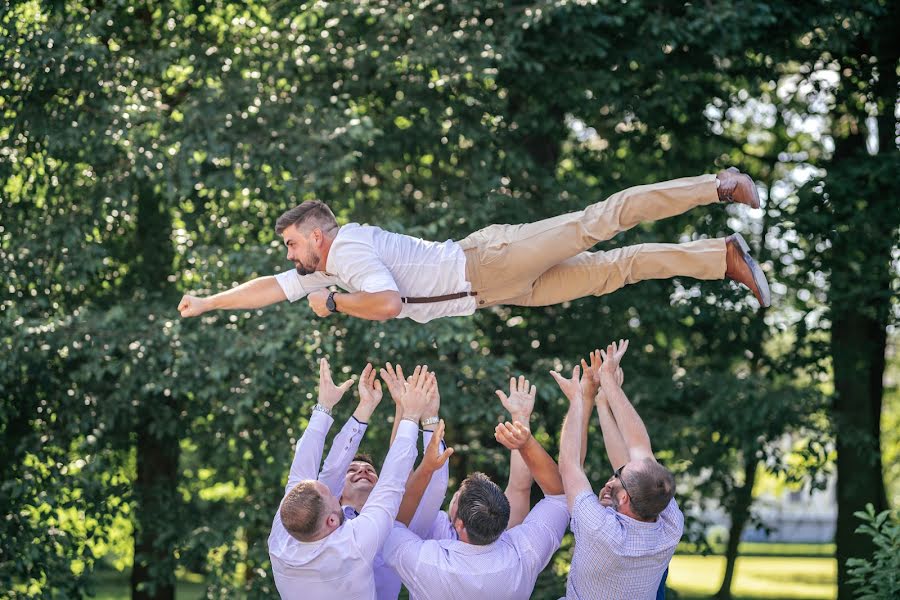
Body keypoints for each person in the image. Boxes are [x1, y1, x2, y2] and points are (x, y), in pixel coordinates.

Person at [177, 168, 771, 324]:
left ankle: (715, 186)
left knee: (600, 222)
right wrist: (209, 301)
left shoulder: (348, 256)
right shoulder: (325, 270)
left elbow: (384, 305)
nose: (288, 257)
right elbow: (270, 289)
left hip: (490, 260)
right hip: (496, 292)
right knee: (619, 270)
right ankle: (721, 257)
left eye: (289, 245)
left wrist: (333, 306)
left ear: (314, 236)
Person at [381, 376, 571, 600]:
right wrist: (521, 425)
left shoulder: (426, 562)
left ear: (459, 523)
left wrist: (410, 415)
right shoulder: (522, 555)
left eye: (459, 495)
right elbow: (556, 494)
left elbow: (392, 512)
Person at [267, 358, 433, 600]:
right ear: (333, 521)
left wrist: (328, 406)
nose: (331, 485)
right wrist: (411, 415)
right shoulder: (353, 545)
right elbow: (390, 483)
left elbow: (307, 467)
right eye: (331, 494)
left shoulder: (284, 533)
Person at [552, 340, 683, 600]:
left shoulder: (600, 531)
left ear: (623, 498)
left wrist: (578, 399)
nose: (615, 472)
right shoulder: (669, 525)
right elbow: (639, 446)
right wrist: (607, 390)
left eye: (618, 475)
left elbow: (569, 464)